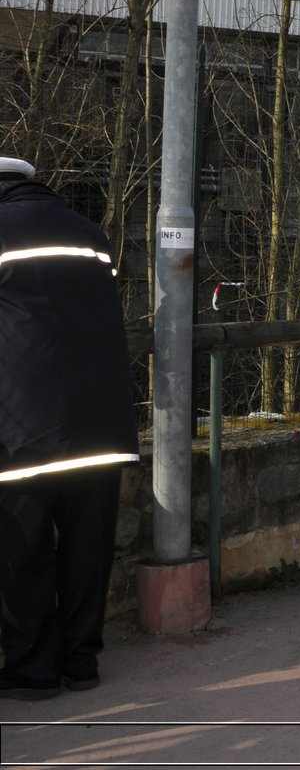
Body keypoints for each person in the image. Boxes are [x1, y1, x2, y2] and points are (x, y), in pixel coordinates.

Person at [0, 156, 139, 700]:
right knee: (87, 550)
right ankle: (81, 662)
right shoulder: (90, 234)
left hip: (23, 428)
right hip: (101, 427)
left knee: (23, 552)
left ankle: (33, 672)